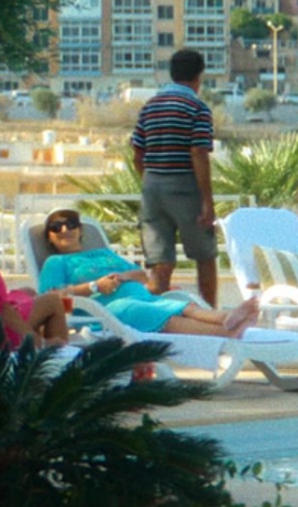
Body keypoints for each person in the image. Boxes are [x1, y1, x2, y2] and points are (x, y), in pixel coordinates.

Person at [37, 210, 256, 338]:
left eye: (71, 224)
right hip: (104, 312)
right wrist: (95, 286)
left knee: (182, 301)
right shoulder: (55, 262)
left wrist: (124, 278)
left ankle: (226, 318)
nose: (65, 230)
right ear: (49, 238)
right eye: (56, 227)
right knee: (144, 310)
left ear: (80, 230)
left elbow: (142, 276)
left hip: (141, 295)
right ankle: (226, 332)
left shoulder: (103, 253)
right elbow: (52, 302)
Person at [132, 48, 220, 305]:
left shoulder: (150, 106)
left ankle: (157, 317)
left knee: (160, 262)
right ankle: (211, 312)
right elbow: (198, 153)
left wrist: (149, 181)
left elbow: (138, 152)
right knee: (205, 254)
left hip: (152, 187)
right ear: (199, 76)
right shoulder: (197, 108)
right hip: (184, 186)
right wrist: (207, 200)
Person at [0, 258, 69, 349]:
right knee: (53, 301)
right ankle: (54, 354)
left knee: (28, 292)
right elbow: (3, 311)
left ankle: (31, 352)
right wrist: (41, 342)